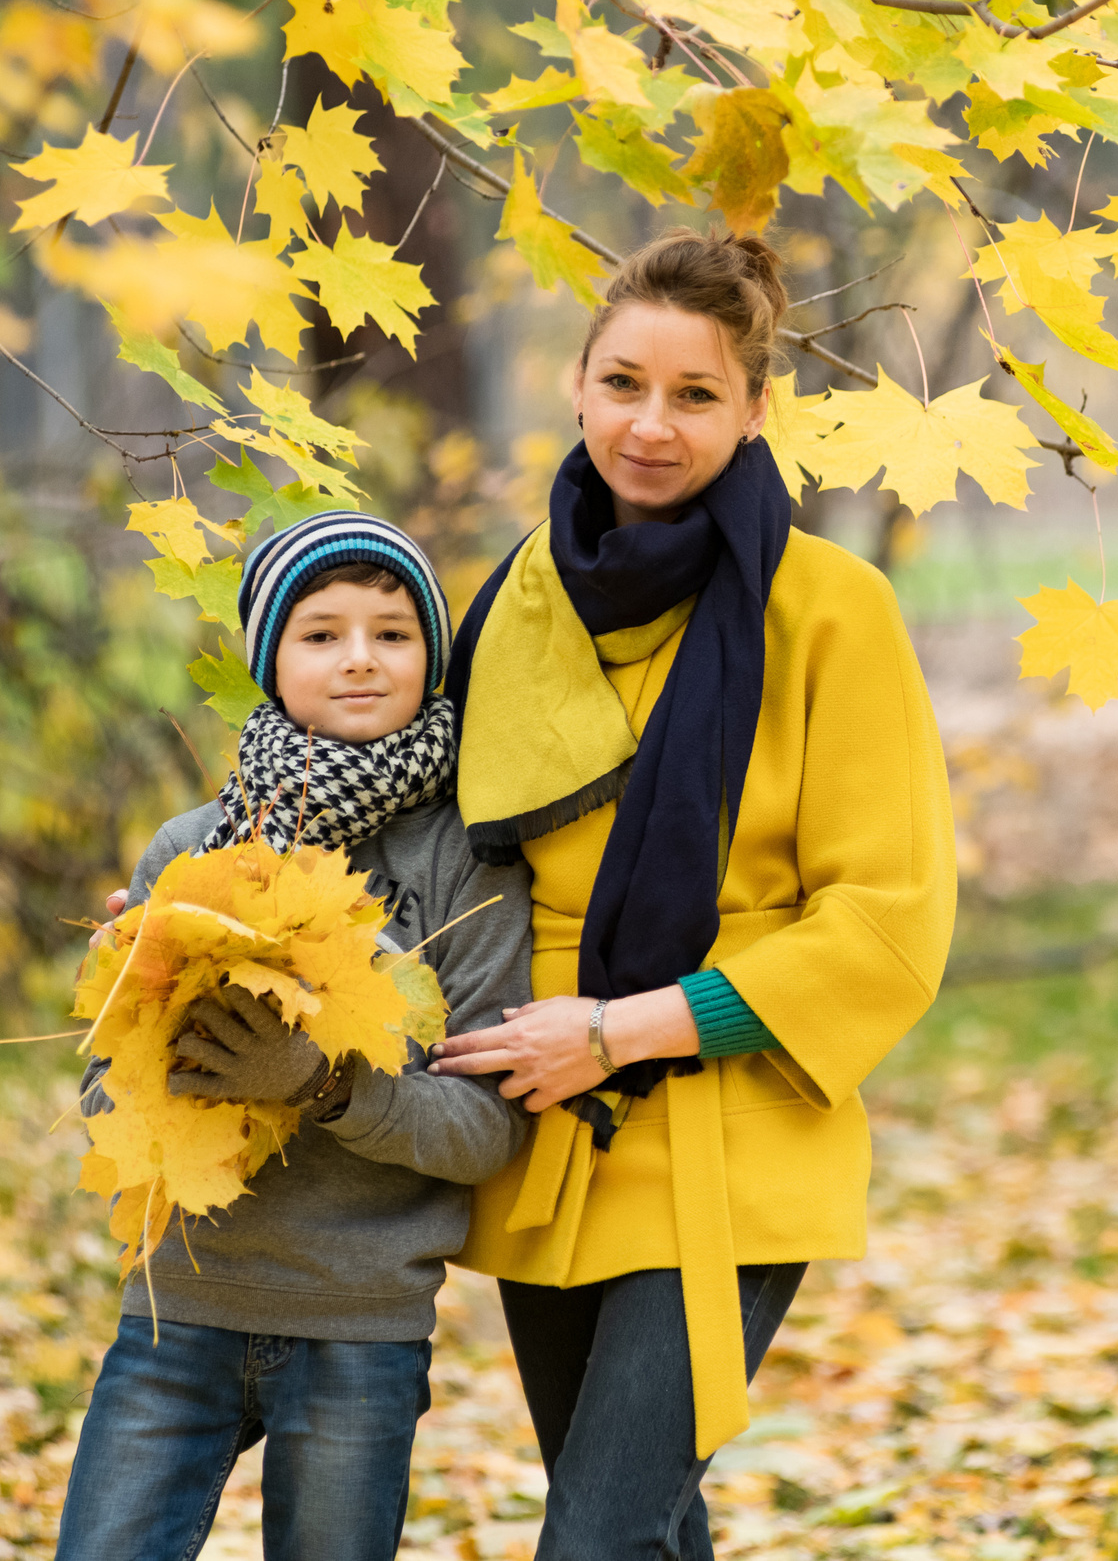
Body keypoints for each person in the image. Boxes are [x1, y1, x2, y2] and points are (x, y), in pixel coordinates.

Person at [426, 229, 958, 1561]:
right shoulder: (518, 595)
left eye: (695, 393)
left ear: (757, 407)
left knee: (596, 1539)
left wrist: (618, 1029)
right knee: (647, 1535)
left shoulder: (832, 608)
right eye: (623, 384)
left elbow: (887, 920)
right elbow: (425, 837)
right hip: (546, 1123)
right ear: (579, 386)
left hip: (731, 1115)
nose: (649, 425)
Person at [57, 511, 532, 1561]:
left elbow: (490, 1129)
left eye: (393, 633)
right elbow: (103, 1094)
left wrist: (327, 1087)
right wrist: (166, 1042)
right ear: (271, 658)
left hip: (360, 1324)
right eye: (321, 634)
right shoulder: (193, 850)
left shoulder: (469, 863)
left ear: (433, 655)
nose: (360, 659)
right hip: (179, 1308)